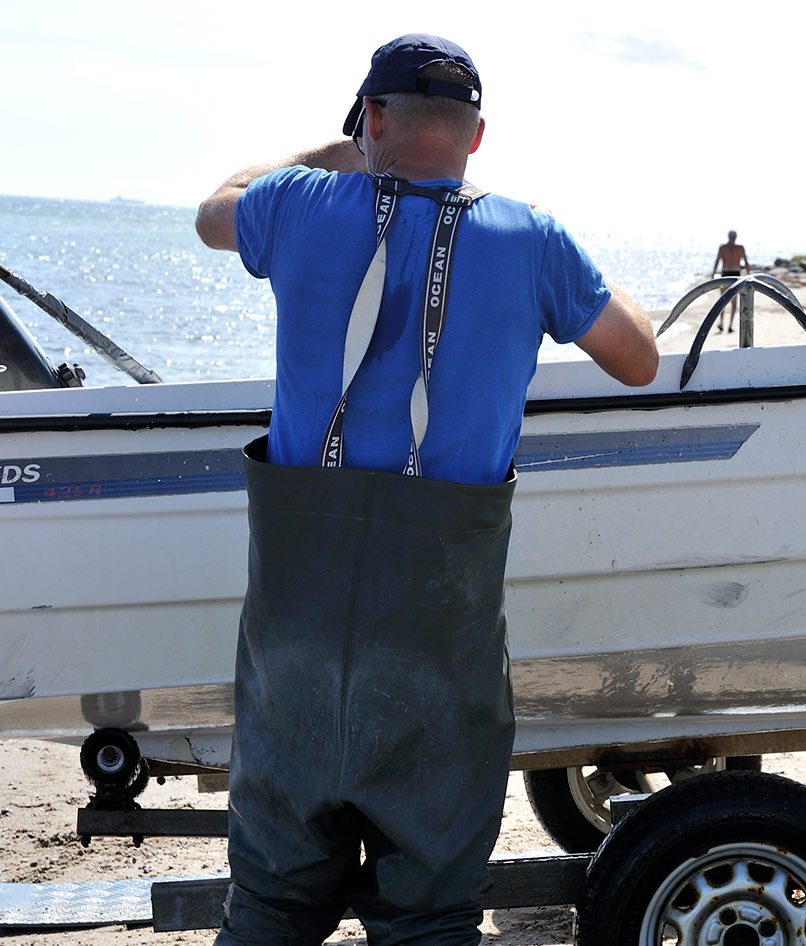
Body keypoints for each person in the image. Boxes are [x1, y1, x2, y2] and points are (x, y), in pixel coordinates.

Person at [192, 33, 657, 946]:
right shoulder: (532, 237)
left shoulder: (298, 204)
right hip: (440, 630)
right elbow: (637, 358)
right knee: (430, 910)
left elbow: (213, 211)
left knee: (273, 902)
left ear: (371, 119)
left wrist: (325, 156)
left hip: (299, 623)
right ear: (477, 138)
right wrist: (558, 268)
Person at [710, 229, 751, 333]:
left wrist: (713, 274)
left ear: (728, 236)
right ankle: (729, 325)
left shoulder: (723, 248)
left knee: (723, 301)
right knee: (732, 302)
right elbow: (746, 263)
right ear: (736, 237)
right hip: (735, 275)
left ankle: (722, 323)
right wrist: (749, 275)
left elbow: (717, 261)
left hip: (726, 274)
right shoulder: (739, 248)